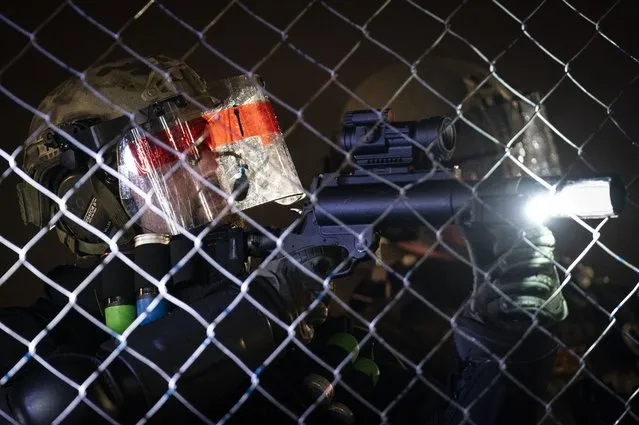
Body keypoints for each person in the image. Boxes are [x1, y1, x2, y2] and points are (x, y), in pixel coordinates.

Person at [0, 55, 568, 425]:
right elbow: (56, 407)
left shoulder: (321, 334)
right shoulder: (33, 339)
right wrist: (267, 302)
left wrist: (510, 338)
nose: (212, 162)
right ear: (86, 196)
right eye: (172, 148)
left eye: (212, 138)